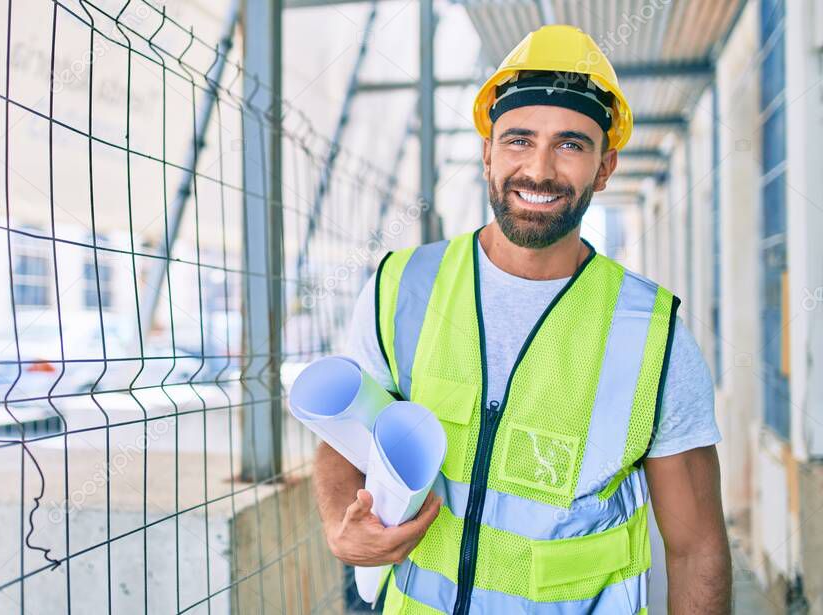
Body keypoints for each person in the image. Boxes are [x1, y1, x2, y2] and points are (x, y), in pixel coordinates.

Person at [312, 24, 731, 614]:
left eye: (570, 144)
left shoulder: (653, 336)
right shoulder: (402, 285)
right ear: (487, 151)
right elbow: (345, 433)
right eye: (517, 140)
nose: (538, 170)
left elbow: (696, 550)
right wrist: (339, 526)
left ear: (605, 167)